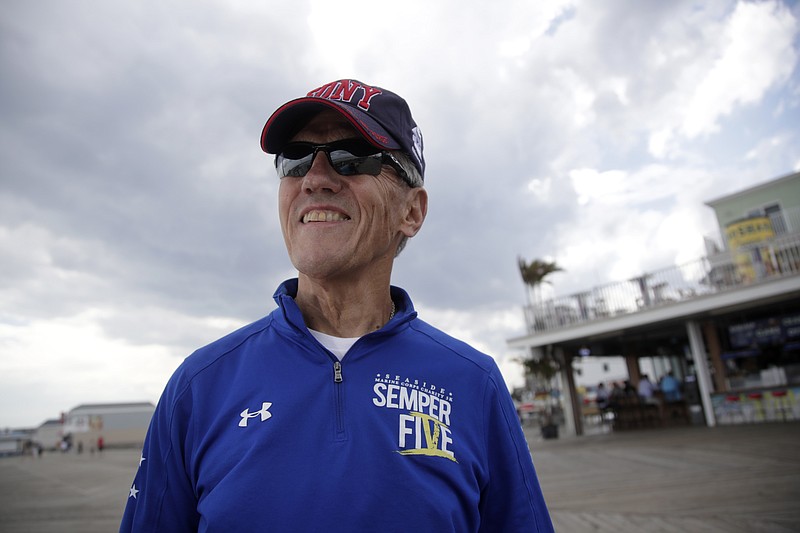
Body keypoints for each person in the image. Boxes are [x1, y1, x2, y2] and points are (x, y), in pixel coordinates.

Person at [120, 79, 553, 532]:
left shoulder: (474, 384)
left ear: (412, 211)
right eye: (296, 159)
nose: (315, 179)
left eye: (351, 158)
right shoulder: (199, 386)